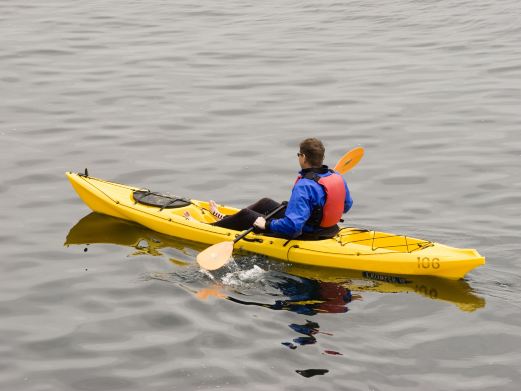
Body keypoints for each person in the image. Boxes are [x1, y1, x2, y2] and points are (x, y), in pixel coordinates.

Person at [186, 138, 353, 239]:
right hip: (329, 229)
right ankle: (225, 219)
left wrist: (267, 225)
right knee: (265, 203)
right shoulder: (336, 177)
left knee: (247, 215)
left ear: (303, 157)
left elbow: (293, 227)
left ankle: (207, 229)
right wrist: (317, 210)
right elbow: (346, 205)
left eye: (298, 155)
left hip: (308, 233)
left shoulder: (305, 185)